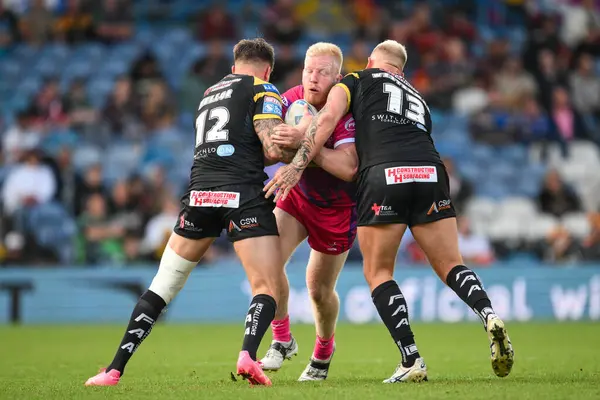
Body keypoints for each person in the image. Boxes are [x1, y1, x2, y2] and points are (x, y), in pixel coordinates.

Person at [266, 40, 515, 382]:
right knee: (451, 264)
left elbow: (325, 121)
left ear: (370, 62)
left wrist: (298, 162)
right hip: (431, 172)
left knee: (379, 271)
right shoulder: (418, 98)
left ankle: (411, 358)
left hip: (385, 175)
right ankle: (488, 314)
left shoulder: (354, 80)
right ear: (401, 71)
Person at [85, 38, 294, 387]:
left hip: (199, 195)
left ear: (233, 66)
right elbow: (272, 146)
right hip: (242, 194)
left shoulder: (210, 93)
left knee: (163, 285)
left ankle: (113, 370)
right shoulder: (264, 89)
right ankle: (247, 356)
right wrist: (301, 140)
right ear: (267, 69)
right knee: (267, 285)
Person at [258, 42, 358, 381]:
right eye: (309, 70)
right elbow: (269, 148)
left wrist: (306, 141)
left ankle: (323, 351)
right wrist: (278, 143)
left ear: (338, 78)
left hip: (336, 208)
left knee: (317, 290)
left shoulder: (346, 110)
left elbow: (348, 168)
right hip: (297, 197)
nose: (313, 79)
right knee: (266, 259)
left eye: (323, 73)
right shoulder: (290, 99)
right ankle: (282, 338)